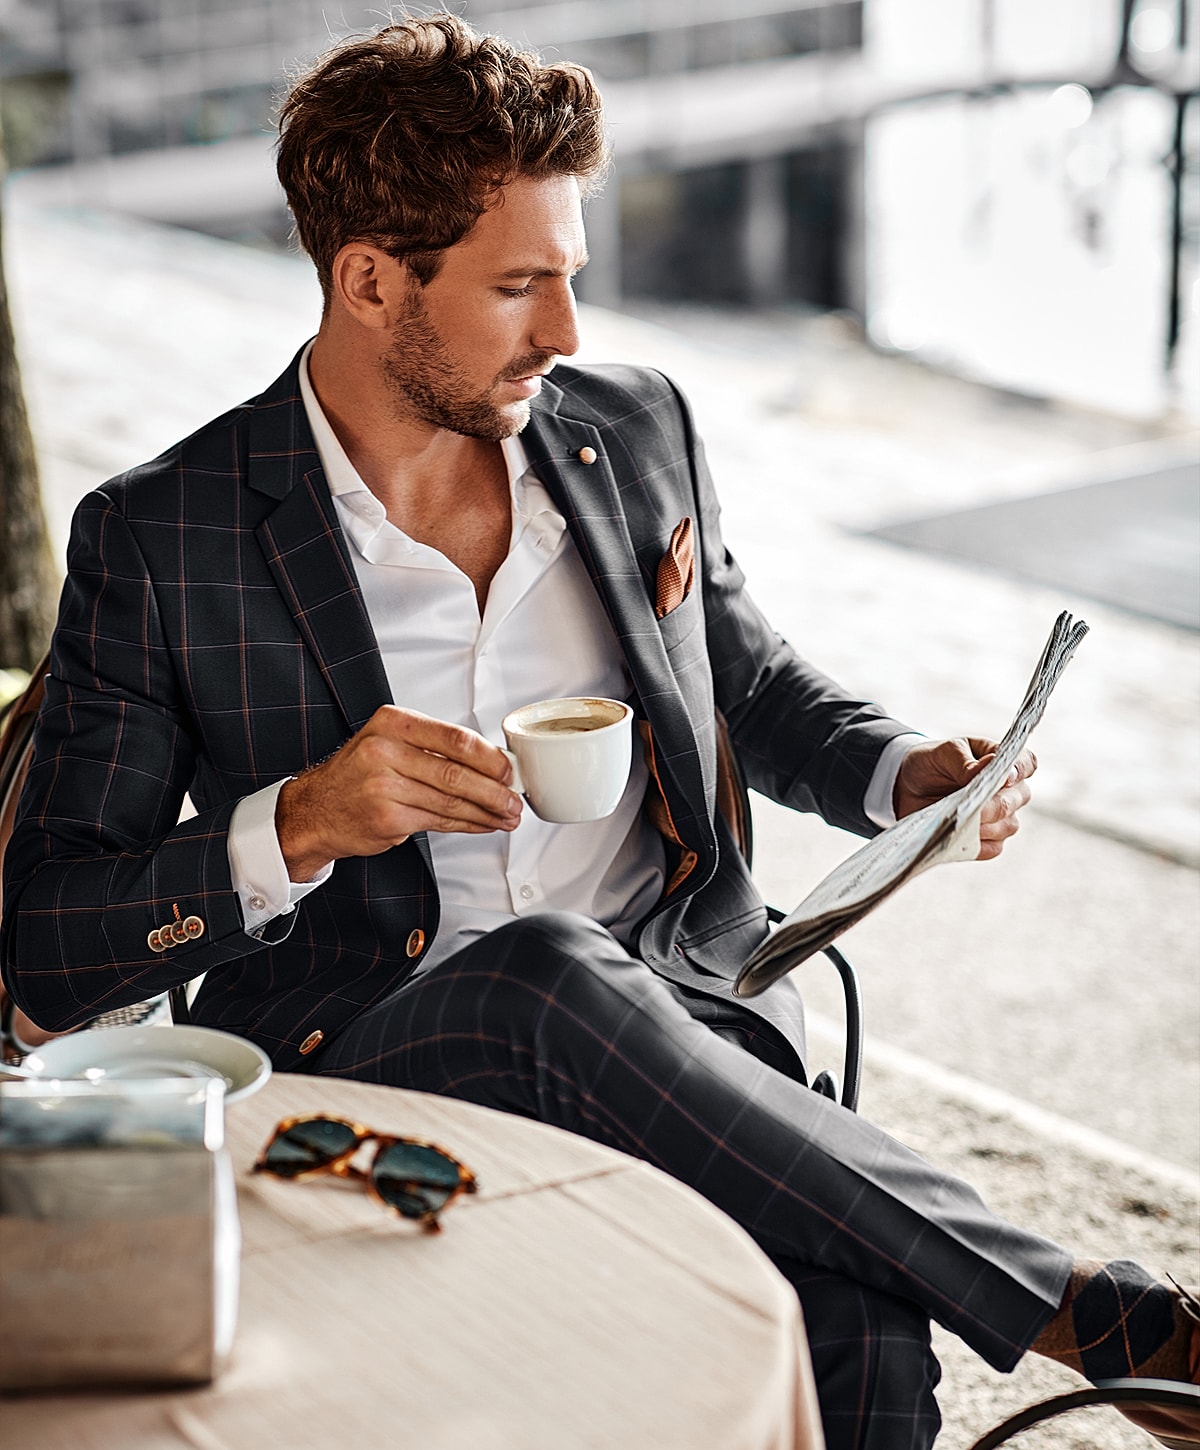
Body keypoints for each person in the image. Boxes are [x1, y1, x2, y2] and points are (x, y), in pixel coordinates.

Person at [2, 15, 1195, 1448]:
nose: (567, 332)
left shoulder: (628, 428)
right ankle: (1105, 1316)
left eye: (571, 275)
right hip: (386, 1067)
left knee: (861, 1344)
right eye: (519, 288)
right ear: (370, 280)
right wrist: (300, 822)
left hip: (692, 1031)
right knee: (545, 973)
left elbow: (746, 679)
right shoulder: (166, 533)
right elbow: (50, 938)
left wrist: (903, 774)